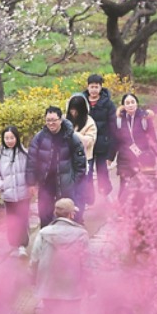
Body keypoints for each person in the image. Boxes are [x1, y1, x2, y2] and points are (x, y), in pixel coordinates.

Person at [29, 198, 90, 314]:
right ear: (71, 215)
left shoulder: (43, 233)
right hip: (73, 287)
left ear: (55, 214)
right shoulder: (81, 234)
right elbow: (87, 264)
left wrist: (33, 278)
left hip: (49, 286)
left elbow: (34, 260)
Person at [26, 106, 87, 228]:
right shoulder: (40, 137)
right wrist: (31, 182)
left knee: (65, 215)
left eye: (54, 120)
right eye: (48, 120)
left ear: (61, 120)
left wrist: (74, 180)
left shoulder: (71, 137)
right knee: (45, 214)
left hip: (65, 183)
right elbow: (31, 160)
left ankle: (66, 240)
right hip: (46, 183)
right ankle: (47, 239)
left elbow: (80, 162)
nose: (51, 123)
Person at [113, 93, 157, 205]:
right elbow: (115, 140)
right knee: (124, 185)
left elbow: (152, 138)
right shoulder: (119, 120)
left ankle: (139, 209)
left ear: (137, 103)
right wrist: (110, 156)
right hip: (124, 158)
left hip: (141, 157)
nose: (130, 105)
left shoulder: (144, 118)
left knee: (141, 184)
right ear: (123, 105)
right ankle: (122, 210)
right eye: (127, 103)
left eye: (132, 102)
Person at [0, 126, 30, 258]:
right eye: (6, 138)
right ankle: (14, 244)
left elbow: (31, 171)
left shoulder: (24, 153)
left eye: (12, 138)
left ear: (17, 138)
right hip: (9, 196)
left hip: (24, 194)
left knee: (23, 220)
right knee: (12, 220)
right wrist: (2, 185)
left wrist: (30, 184)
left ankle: (22, 246)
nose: (9, 140)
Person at [83, 74, 116, 203]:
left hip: (103, 143)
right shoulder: (82, 102)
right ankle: (88, 199)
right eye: (92, 87)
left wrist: (111, 152)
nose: (94, 90)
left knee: (102, 171)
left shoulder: (108, 104)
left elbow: (113, 127)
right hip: (87, 144)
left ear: (101, 87)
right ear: (87, 87)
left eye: (97, 87)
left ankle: (106, 194)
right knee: (87, 172)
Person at [66, 94, 97, 223]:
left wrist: (74, 135)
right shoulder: (65, 121)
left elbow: (90, 141)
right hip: (67, 159)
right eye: (71, 110)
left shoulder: (89, 122)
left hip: (85, 160)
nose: (73, 113)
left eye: (76, 110)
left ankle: (78, 217)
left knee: (81, 189)